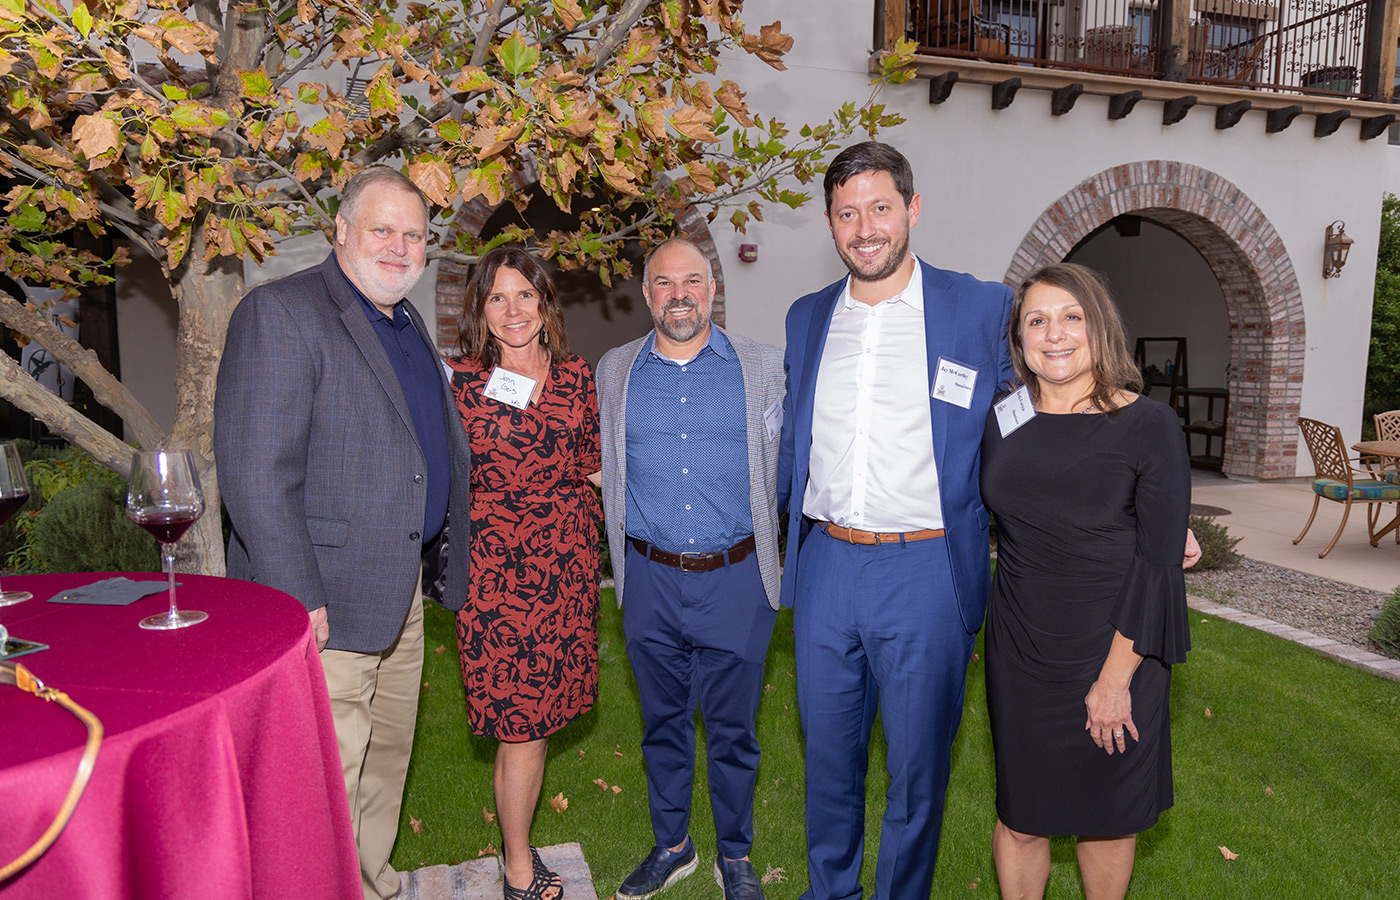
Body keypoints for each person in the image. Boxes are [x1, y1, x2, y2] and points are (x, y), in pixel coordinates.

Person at [215, 166, 470, 900]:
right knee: (322, 783)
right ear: (341, 231)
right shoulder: (283, 313)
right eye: (382, 229)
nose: (399, 246)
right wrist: (299, 596)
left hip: (398, 593)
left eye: (414, 234)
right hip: (322, 605)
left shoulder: (405, 322)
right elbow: (257, 471)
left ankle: (370, 884)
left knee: (384, 763)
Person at [776, 140, 1015, 900]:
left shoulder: (978, 308)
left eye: (880, 208)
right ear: (830, 223)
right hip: (826, 565)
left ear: (912, 209)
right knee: (828, 761)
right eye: (847, 213)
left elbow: (1033, 418)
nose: (864, 227)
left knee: (917, 770)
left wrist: (1136, 491)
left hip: (927, 568)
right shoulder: (808, 317)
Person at [979, 263, 1190, 900]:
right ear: (1019, 340)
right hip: (1020, 651)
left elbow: (1158, 566)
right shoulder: (1003, 419)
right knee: (1021, 817)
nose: (1056, 334)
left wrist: (1114, 680)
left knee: (1106, 818)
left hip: (1116, 647)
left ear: (1100, 327)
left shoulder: (1148, 425)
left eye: (1072, 316)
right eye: (1036, 321)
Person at [596, 238, 784, 900]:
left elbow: (792, 465)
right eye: (665, 283)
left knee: (734, 729)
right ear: (647, 295)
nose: (680, 293)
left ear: (712, 290)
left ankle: (734, 854)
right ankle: (673, 845)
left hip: (736, 578)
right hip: (647, 578)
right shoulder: (614, 371)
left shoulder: (762, 368)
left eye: (693, 281)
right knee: (662, 721)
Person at [446, 246, 602, 900]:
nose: (514, 311)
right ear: (481, 310)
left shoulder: (575, 376)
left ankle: (520, 849)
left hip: (566, 571)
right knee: (520, 724)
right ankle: (516, 867)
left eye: (525, 295)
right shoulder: (458, 381)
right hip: (496, 578)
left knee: (539, 725)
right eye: (498, 298)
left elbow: (594, 463)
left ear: (545, 303)